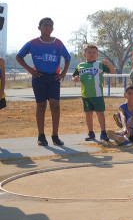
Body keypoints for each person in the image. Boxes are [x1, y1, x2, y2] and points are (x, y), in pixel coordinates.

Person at [16, 18, 71, 146]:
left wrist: (63, 73)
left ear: (53, 28)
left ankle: (55, 136)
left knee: (55, 106)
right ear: (39, 28)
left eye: (50, 26)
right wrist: (30, 70)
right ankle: (41, 136)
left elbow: (68, 58)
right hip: (39, 77)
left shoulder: (58, 43)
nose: (48, 28)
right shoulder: (33, 43)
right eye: (45, 25)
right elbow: (19, 56)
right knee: (41, 106)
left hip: (54, 78)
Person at [72, 44, 116, 141]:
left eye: (94, 52)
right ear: (85, 54)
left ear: (97, 54)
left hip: (97, 94)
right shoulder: (81, 66)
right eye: (89, 52)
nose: (91, 54)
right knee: (88, 114)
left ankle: (103, 133)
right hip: (86, 95)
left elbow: (112, 72)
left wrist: (108, 64)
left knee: (100, 113)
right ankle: (91, 133)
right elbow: (74, 76)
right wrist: (75, 79)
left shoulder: (100, 65)